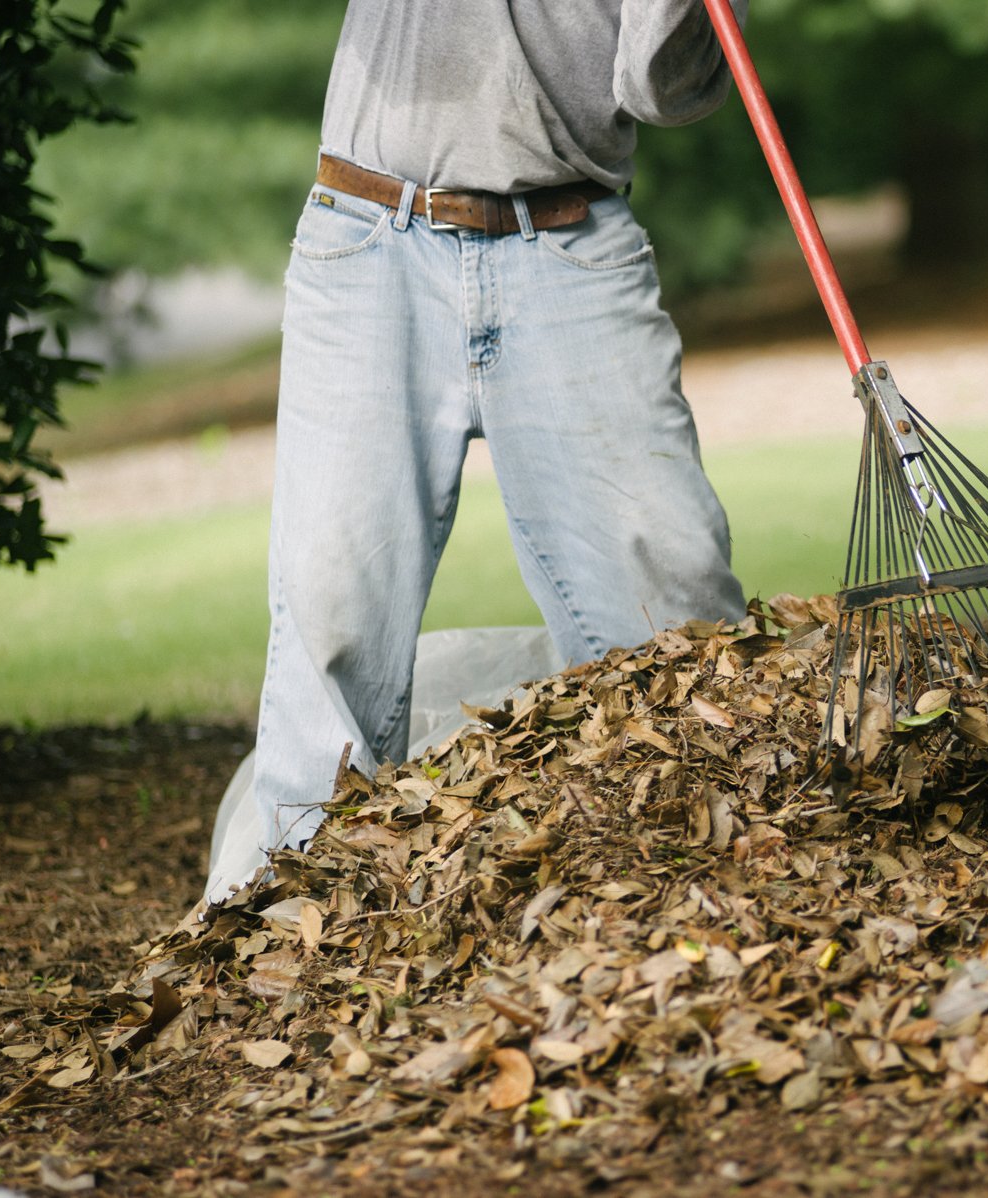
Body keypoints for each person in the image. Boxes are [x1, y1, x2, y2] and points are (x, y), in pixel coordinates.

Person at [205, 0, 749, 904]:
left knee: (675, 594)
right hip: (374, 235)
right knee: (332, 600)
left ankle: (708, 899)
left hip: (570, 249)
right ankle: (291, 930)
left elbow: (667, 89)